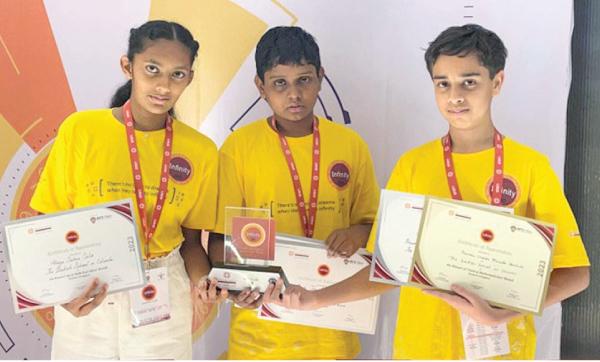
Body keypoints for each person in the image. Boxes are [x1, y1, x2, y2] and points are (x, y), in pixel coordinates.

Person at [266, 24, 590, 359]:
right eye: (443, 84)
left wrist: (503, 314)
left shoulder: (530, 167)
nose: (455, 96)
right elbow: (387, 269)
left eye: (469, 82)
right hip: (421, 348)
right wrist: (314, 298)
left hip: (504, 350)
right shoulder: (413, 167)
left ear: (497, 83)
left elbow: (576, 273)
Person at [30, 20, 224, 359]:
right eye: (152, 69)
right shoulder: (82, 130)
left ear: (189, 78)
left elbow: (192, 244)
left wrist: (205, 281)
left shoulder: (201, 151)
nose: (164, 85)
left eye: (177, 74)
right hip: (88, 290)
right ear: (127, 66)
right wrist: (62, 294)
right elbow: (49, 226)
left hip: (163, 291)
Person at [207, 26, 380, 359]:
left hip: (333, 335)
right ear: (261, 87)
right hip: (258, 337)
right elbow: (218, 239)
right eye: (279, 83)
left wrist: (358, 232)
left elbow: (374, 230)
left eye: (304, 80)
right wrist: (236, 286)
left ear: (320, 78)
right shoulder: (238, 149)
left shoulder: (350, 146)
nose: (294, 95)